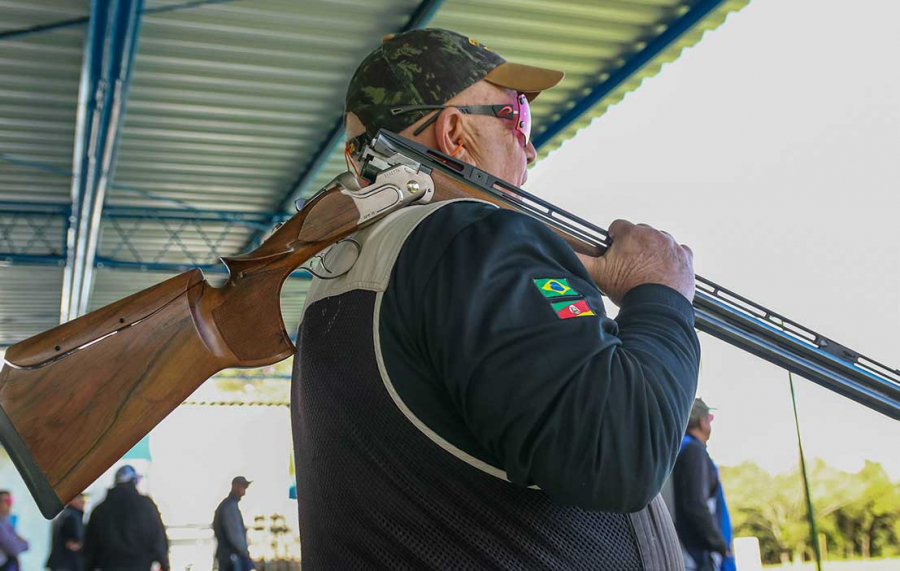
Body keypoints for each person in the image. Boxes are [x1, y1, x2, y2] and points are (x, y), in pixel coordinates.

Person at [292, 28, 700, 569]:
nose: (529, 145)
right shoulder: (473, 237)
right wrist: (661, 295)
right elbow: (621, 451)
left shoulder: (352, 270)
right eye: (516, 118)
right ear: (454, 133)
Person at [672, 399, 734, 571]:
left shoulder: (680, 449)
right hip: (699, 556)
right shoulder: (694, 451)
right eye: (710, 418)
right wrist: (720, 545)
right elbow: (696, 505)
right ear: (702, 421)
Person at [83, 465, 169, 571]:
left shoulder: (100, 510)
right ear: (134, 481)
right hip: (141, 566)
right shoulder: (146, 506)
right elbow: (158, 538)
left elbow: (89, 548)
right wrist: (164, 564)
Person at [212, 476, 254, 571]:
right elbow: (235, 534)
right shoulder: (230, 507)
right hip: (231, 559)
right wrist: (245, 554)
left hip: (226, 557)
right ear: (235, 486)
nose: (244, 492)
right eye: (243, 487)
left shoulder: (227, 505)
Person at [46, 493, 86, 571]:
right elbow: (74, 543)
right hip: (68, 565)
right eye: (80, 498)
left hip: (60, 564)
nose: (83, 501)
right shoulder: (72, 517)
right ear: (72, 500)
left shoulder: (64, 515)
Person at [0, 490, 27, 571]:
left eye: (10, 500)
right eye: (6, 501)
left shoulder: (6, 521)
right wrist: (22, 543)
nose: (10, 504)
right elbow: (13, 548)